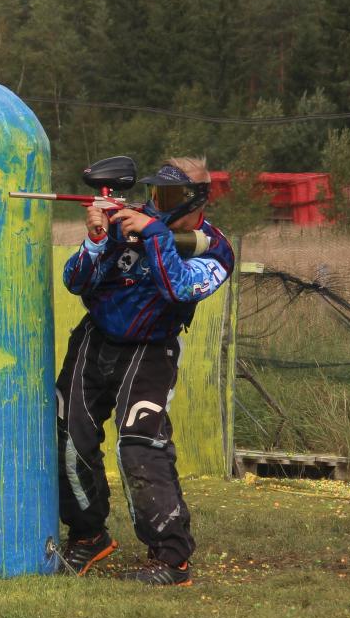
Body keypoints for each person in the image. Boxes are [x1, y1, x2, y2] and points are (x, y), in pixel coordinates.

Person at [55, 157, 234, 586]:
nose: (156, 203)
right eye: (154, 194)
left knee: (139, 444)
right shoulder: (127, 224)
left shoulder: (215, 248)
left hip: (153, 348)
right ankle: (88, 535)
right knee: (68, 435)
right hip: (96, 338)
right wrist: (97, 239)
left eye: (167, 197)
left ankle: (171, 558)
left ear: (195, 199)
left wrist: (154, 235)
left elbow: (179, 289)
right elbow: (76, 282)